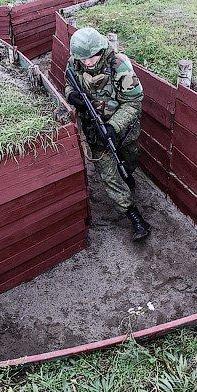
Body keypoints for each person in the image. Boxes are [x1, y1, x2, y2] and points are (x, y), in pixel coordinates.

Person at [65, 27, 151, 242]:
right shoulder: (75, 62)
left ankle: (128, 177)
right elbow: (68, 83)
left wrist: (113, 127)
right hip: (94, 129)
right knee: (109, 175)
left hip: (123, 127)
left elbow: (133, 102)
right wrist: (72, 96)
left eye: (91, 57)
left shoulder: (119, 65)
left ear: (101, 50)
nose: (88, 63)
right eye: (83, 59)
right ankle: (134, 216)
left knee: (130, 159)